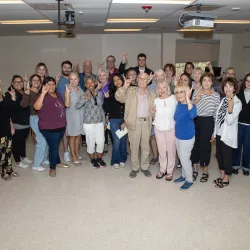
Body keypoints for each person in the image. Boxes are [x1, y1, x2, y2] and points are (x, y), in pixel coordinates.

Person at [115, 73, 156, 178]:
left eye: (145, 79)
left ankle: (145, 167)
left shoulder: (152, 94)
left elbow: (155, 111)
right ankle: (134, 168)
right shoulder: (130, 91)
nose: (142, 81)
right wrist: (124, 86)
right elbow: (118, 97)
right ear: (137, 80)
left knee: (146, 147)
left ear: (148, 81)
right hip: (134, 122)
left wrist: (154, 113)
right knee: (134, 146)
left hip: (147, 122)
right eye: (140, 78)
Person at [34, 77, 69, 178]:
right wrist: (43, 93)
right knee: (54, 148)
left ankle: (57, 162)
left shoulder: (57, 94)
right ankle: (52, 168)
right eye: (48, 84)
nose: (51, 86)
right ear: (44, 86)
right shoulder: (41, 96)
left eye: (53, 84)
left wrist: (67, 93)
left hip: (60, 126)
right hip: (49, 128)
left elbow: (65, 105)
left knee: (55, 146)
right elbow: (36, 107)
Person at [191, 72, 220, 182]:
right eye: (204, 80)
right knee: (195, 145)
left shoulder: (216, 95)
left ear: (212, 82)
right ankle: (195, 170)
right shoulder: (196, 92)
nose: (206, 82)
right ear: (201, 82)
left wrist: (214, 131)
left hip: (208, 121)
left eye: (209, 80)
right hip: (196, 120)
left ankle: (205, 171)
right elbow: (191, 108)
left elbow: (216, 114)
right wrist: (196, 99)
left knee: (205, 147)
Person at [213, 77, 242, 188]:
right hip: (220, 133)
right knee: (219, 156)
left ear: (234, 88)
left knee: (226, 157)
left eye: (230, 86)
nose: (228, 88)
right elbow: (218, 118)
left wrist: (230, 108)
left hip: (228, 135)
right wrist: (215, 133)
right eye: (226, 86)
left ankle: (226, 178)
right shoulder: (224, 99)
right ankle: (221, 176)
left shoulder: (237, 102)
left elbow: (229, 121)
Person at [75, 76, 106, 168]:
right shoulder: (83, 94)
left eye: (91, 82)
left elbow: (101, 109)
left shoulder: (100, 94)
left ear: (95, 83)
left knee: (101, 141)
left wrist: (104, 122)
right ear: (85, 85)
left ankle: (99, 159)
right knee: (90, 142)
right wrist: (85, 99)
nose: (90, 85)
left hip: (99, 122)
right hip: (88, 123)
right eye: (88, 83)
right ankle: (93, 160)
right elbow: (77, 106)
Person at [21, 74, 49, 172]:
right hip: (35, 118)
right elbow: (23, 105)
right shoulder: (29, 91)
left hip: (43, 118)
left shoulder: (41, 91)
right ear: (31, 82)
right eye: (34, 80)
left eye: (38, 80)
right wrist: (26, 93)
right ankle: (36, 164)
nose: (36, 81)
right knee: (41, 141)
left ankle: (44, 159)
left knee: (46, 139)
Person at [152, 81, 177, 181]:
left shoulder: (173, 98)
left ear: (168, 88)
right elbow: (154, 115)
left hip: (171, 128)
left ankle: (170, 171)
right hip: (158, 128)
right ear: (157, 89)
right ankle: (162, 169)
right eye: (160, 88)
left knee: (171, 151)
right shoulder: (156, 100)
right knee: (161, 151)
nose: (162, 90)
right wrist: (152, 113)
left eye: (164, 87)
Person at [5, 75, 32, 169]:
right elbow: (14, 108)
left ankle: (23, 156)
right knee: (16, 143)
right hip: (17, 123)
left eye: (20, 81)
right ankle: (17, 161)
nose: (18, 83)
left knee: (23, 141)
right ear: (12, 83)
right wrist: (13, 98)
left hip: (26, 122)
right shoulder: (9, 93)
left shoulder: (24, 91)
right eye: (16, 82)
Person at [174, 84, 197, 190]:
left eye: (182, 92)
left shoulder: (191, 105)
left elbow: (192, 115)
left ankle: (189, 180)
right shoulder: (178, 104)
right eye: (177, 92)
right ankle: (183, 176)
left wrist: (188, 99)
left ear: (187, 92)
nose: (179, 95)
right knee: (181, 157)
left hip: (187, 137)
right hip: (178, 135)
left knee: (185, 159)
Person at [103, 74, 127, 169]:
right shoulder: (111, 92)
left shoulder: (127, 91)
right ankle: (115, 160)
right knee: (116, 141)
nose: (117, 81)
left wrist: (125, 121)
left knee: (123, 141)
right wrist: (106, 98)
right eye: (114, 80)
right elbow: (106, 108)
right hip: (114, 120)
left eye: (118, 79)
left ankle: (123, 159)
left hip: (125, 120)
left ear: (122, 80)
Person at [0, 84, 19, 181]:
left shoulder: (4, 97)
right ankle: (3, 172)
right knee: (2, 153)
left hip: (7, 128)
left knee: (8, 151)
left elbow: (13, 110)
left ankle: (9, 170)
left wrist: (12, 96)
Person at [65, 72, 84, 166]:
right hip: (71, 116)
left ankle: (77, 153)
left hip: (80, 116)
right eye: (71, 79)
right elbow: (67, 104)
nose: (73, 81)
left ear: (78, 79)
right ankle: (73, 156)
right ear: (69, 80)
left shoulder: (80, 89)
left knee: (78, 136)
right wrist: (67, 93)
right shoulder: (68, 89)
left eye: (75, 79)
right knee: (72, 137)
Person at [232, 73, 250, 176]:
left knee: (247, 146)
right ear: (244, 82)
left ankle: (246, 166)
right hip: (238, 124)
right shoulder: (238, 95)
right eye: (247, 81)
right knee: (237, 145)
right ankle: (235, 165)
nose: (249, 83)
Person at [148, 69, 166, 165]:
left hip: (164, 117)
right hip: (153, 116)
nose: (159, 78)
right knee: (153, 137)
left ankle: (163, 157)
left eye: (161, 75)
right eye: (157, 76)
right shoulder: (150, 87)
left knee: (163, 139)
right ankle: (155, 156)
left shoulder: (167, 87)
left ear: (164, 76)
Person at [56, 60, 72, 162]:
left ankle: (72, 149)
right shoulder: (58, 80)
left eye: (68, 67)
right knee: (65, 132)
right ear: (62, 68)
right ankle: (66, 151)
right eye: (64, 67)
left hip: (72, 110)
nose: (66, 69)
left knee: (73, 132)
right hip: (61, 110)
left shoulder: (73, 79)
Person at [97, 68, 113, 154]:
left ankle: (116, 147)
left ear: (107, 76)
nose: (102, 77)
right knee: (102, 129)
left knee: (109, 129)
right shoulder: (97, 86)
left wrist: (108, 114)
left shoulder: (110, 85)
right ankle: (105, 145)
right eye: (100, 75)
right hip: (99, 111)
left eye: (104, 75)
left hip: (108, 111)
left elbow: (112, 101)